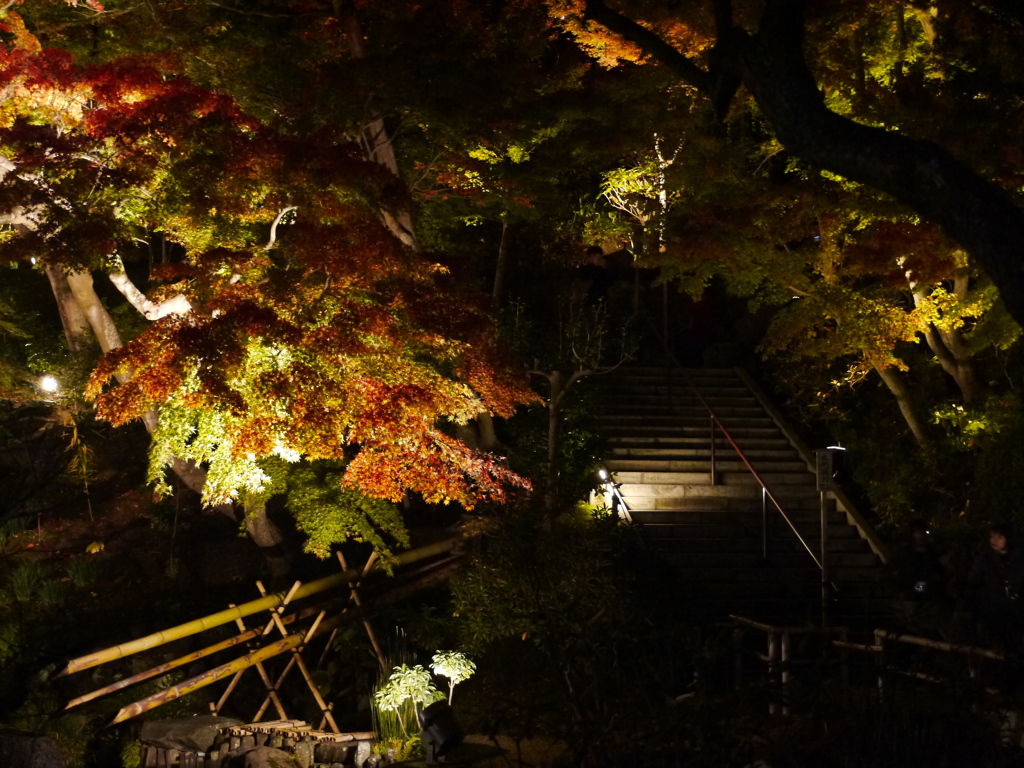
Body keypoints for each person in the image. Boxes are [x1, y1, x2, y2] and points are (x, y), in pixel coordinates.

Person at [965, 523, 1024, 692]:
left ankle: (1012, 687)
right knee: (994, 649)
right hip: (992, 611)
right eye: (992, 536)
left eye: (999, 537)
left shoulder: (1019, 560)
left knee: (1014, 650)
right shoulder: (985, 560)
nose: (994, 541)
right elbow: (973, 585)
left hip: (1015, 612)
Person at [885, 519, 951, 636]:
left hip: (929, 593)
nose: (922, 536)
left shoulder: (931, 554)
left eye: (924, 532)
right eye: (919, 533)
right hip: (910, 592)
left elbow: (938, 574)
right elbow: (891, 573)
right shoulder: (904, 553)